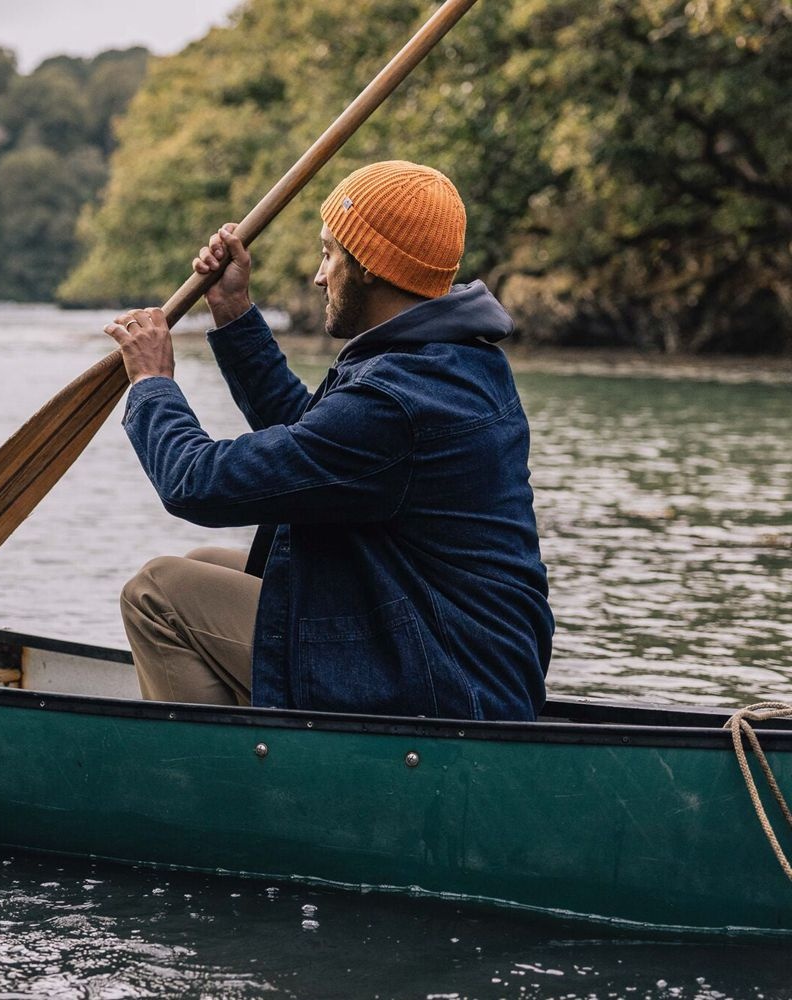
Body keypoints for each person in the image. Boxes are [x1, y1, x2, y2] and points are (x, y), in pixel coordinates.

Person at [105, 160, 553, 720]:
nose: (320, 276)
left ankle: (217, 781)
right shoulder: (455, 358)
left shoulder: (399, 400)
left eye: (329, 253)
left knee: (156, 593)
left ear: (368, 267)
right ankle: (263, 731)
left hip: (441, 680)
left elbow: (197, 485)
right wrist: (234, 313)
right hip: (449, 648)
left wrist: (151, 384)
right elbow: (316, 446)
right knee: (207, 564)